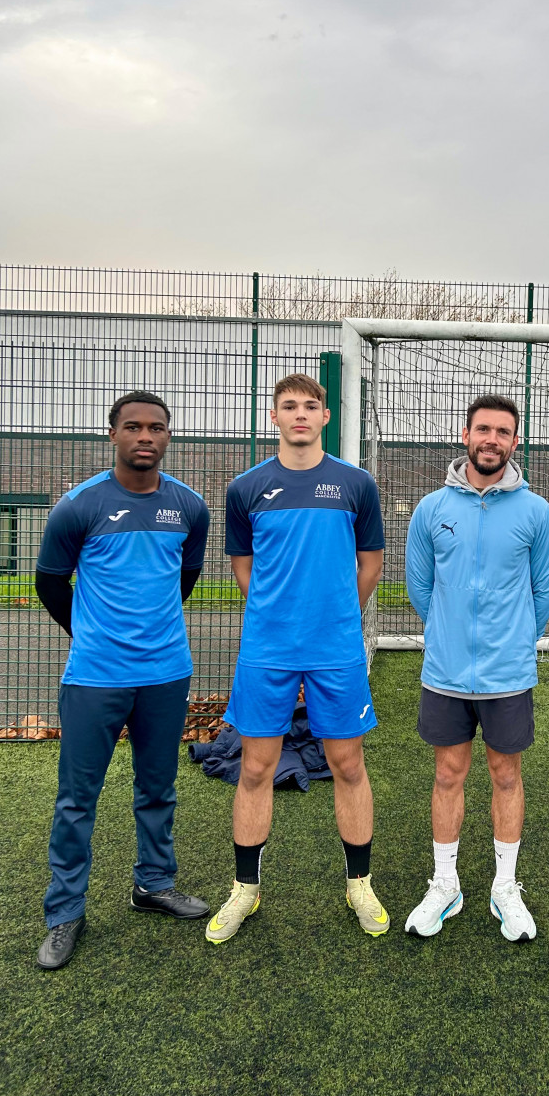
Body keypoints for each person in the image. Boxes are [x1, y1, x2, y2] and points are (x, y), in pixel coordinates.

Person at [206, 374, 387, 945]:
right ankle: (245, 890)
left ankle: (360, 884)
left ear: (326, 416)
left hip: (336, 648)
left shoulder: (355, 484)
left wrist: (336, 614)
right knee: (255, 767)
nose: (301, 414)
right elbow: (243, 568)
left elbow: (372, 562)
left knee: (348, 764)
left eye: (311, 405)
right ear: (275, 417)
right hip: (268, 649)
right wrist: (277, 615)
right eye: (290, 406)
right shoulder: (246, 488)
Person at [34, 391, 211, 970]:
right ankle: (65, 912)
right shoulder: (78, 506)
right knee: (76, 799)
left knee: (158, 789)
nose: (145, 436)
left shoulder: (189, 507)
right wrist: (89, 634)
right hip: (95, 677)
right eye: (132, 427)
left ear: (168, 436)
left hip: (166, 674)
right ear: (112, 434)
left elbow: (185, 579)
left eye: (156, 428)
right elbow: (50, 583)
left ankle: (153, 884)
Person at [403, 394, 549, 942]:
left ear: (516, 442)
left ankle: (505, 887)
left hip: (507, 674)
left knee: (506, 775)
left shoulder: (536, 513)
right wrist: (448, 635)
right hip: (445, 672)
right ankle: (445, 884)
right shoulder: (431, 509)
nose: (492, 440)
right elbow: (420, 588)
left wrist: (512, 639)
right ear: (465, 436)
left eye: (502, 432)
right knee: (448, 774)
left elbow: (546, 591)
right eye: (483, 429)